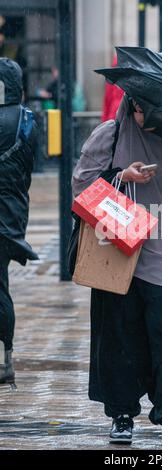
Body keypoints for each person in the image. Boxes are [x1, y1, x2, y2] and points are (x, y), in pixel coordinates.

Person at [72, 95, 162, 447]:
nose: (140, 115)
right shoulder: (110, 135)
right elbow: (81, 191)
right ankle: (121, 414)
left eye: (147, 109)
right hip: (116, 248)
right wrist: (122, 176)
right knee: (118, 331)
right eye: (135, 108)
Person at [0, 58, 38, 384]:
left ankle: (6, 358)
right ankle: (6, 355)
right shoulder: (26, 119)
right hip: (13, 214)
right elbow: (28, 169)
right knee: (1, 284)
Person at [101, 55, 124, 122]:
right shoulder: (110, 83)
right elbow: (107, 101)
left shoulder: (111, 82)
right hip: (114, 117)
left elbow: (107, 102)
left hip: (114, 117)